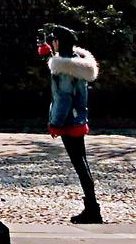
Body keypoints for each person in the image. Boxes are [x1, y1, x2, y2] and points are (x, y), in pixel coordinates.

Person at [39, 23, 102, 225]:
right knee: (82, 162)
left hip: (68, 121)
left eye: (54, 41)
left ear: (59, 42)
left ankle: (92, 209)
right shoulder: (77, 62)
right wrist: (48, 54)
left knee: (79, 164)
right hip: (78, 117)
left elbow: (63, 97)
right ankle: (92, 207)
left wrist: (55, 123)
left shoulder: (63, 69)